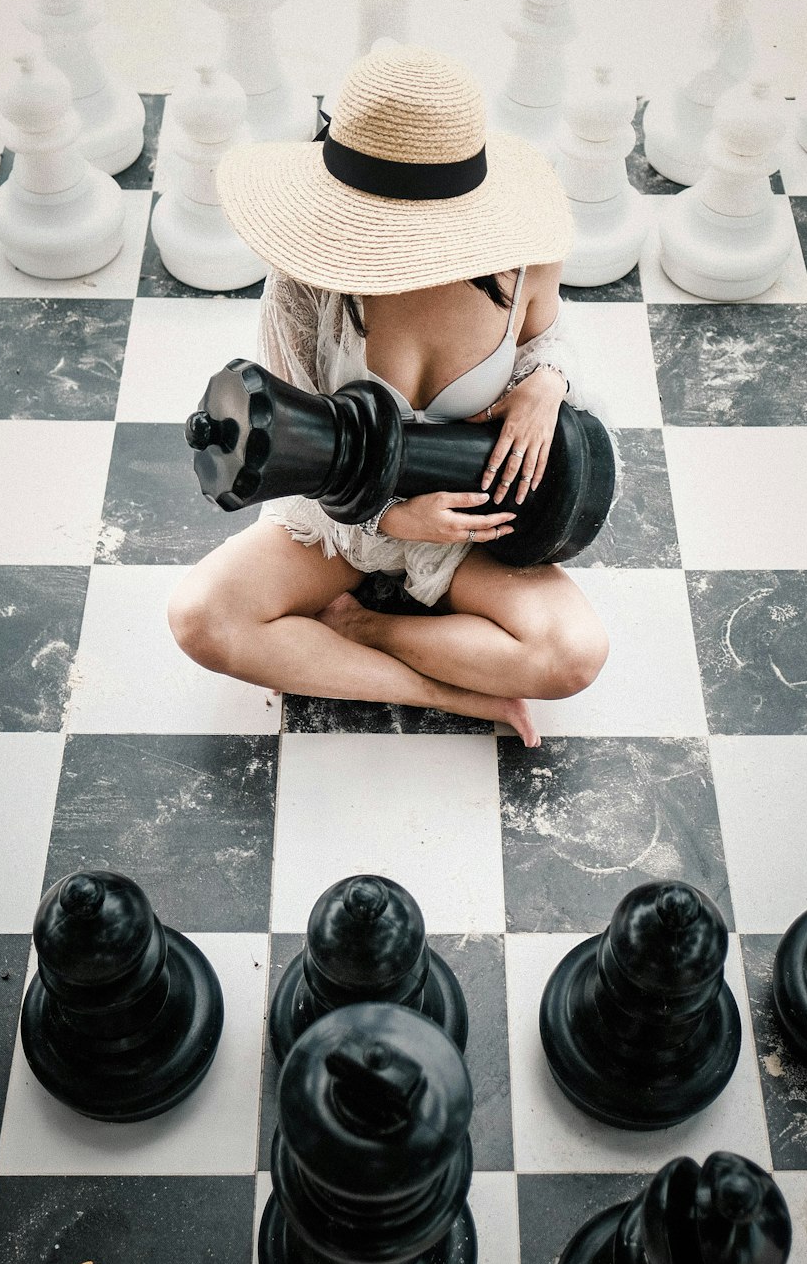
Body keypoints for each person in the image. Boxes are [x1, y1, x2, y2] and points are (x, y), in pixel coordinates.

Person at [167, 44, 609, 748]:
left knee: (572, 654)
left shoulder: (526, 250)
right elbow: (296, 458)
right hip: (341, 529)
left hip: (471, 537)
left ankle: (366, 628)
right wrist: (395, 523)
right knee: (201, 618)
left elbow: (549, 340)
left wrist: (545, 383)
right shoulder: (304, 283)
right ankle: (439, 689)